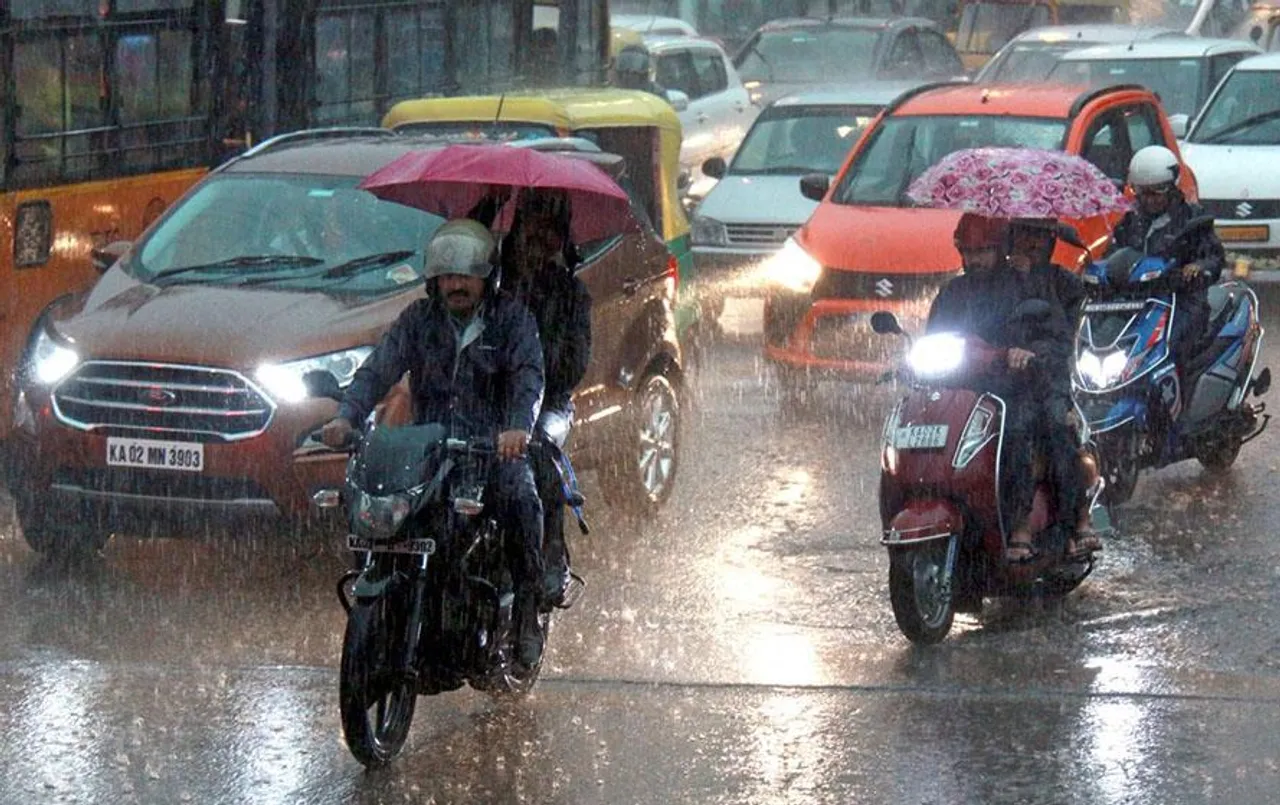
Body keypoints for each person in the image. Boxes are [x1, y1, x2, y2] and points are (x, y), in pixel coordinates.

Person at [320, 219, 548, 666]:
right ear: (433, 281)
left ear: (488, 276)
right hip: (429, 452)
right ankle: (394, 598)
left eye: (465, 276)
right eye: (447, 276)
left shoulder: (513, 321)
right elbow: (377, 370)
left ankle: (526, 607)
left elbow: (529, 377)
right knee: (372, 503)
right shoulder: (417, 321)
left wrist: (517, 429)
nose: (456, 285)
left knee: (520, 497)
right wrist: (346, 416)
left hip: (487, 450)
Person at [926, 214, 1093, 563]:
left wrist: (1025, 354)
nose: (975, 260)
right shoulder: (952, 292)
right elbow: (935, 337)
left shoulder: (1024, 284)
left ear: (999, 248)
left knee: (1018, 431)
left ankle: (1025, 524)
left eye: (983, 251)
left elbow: (1051, 334)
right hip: (966, 384)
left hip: (1017, 385)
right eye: (968, 251)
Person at [499, 189, 593, 607]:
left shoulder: (571, 296)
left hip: (548, 406)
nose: (539, 235)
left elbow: (572, 370)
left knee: (538, 453)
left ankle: (549, 555)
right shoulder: (492, 283)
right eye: (531, 223)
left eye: (550, 228)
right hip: (490, 402)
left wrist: (530, 353)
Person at [1004, 218, 1100, 559]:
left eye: (1038, 236)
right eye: (1023, 233)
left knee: (1045, 428)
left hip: (1047, 380)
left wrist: (1032, 354)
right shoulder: (993, 281)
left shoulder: (1064, 284)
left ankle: (1073, 518)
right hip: (995, 376)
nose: (1029, 243)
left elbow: (1064, 337)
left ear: (1050, 241)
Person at [1109, 146, 1226, 393]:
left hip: (1180, 299)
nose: (1149, 199)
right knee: (1105, 337)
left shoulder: (1194, 219)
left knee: (1172, 344)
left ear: (1171, 186)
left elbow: (1213, 256)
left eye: (1156, 192)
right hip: (1135, 298)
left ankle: (1180, 405)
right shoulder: (1130, 219)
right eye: (1142, 192)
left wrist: (1197, 268)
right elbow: (1114, 252)